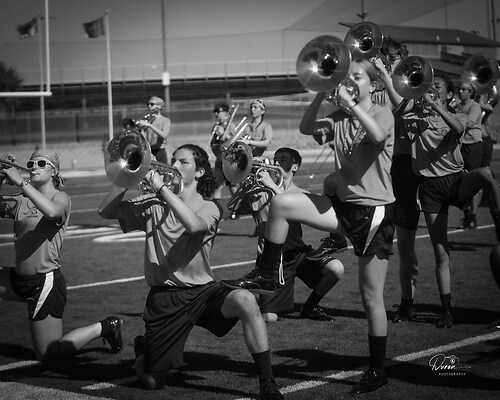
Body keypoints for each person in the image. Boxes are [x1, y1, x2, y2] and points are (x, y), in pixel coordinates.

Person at [224, 59, 395, 394]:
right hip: (344, 208)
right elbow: (305, 128)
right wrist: (319, 94)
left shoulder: (381, 112)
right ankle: (267, 274)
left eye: (357, 76)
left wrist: (349, 106)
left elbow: (377, 136)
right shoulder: (339, 117)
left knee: (370, 296)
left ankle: (377, 370)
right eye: (347, 76)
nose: (349, 80)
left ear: (372, 84)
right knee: (282, 203)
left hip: (375, 213)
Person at [97, 144, 283, 399]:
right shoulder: (152, 204)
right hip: (165, 298)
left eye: (183, 162)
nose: (174, 165)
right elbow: (105, 211)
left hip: (202, 292)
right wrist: (128, 175)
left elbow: (195, 226)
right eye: (173, 160)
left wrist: (161, 188)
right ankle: (143, 349)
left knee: (246, 299)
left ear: (199, 172)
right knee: (152, 382)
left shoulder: (210, 207)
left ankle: (267, 382)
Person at [397, 74, 500, 329]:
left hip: (455, 181)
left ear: (448, 94)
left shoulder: (459, 115)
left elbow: (458, 129)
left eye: (436, 86)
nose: (431, 89)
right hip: (430, 188)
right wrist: (412, 98)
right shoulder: (415, 119)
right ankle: (446, 311)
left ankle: (498, 222)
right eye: (428, 86)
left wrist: (434, 106)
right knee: (441, 251)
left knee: (485, 174)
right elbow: (395, 117)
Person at [0, 150, 123, 363]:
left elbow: (52, 212)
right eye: (31, 163)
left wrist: (21, 182)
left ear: (54, 171)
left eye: (41, 163)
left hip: (43, 283)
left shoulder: (61, 198)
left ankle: (105, 327)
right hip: (17, 279)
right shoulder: (21, 200)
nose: (34, 167)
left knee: (48, 355)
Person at [239, 147, 344, 322]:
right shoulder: (261, 193)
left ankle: (310, 307)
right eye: (275, 159)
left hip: (298, 254)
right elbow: (233, 209)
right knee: (269, 318)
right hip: (274, 261)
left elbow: (289, 204)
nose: (276, 163)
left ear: (294, 167)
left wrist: (272, 186)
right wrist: (245, 185)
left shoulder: (303, 194)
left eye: (283, 160)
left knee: (336, 268)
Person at [228, 98, 273, 227]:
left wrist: (250, 142)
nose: (252, 109)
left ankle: (266, 223)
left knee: (262, 195)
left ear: (262, 110)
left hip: (262, 162)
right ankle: (258, 225)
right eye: (251, 107)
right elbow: (241, 143)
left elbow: (267, 142)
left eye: (255, 107)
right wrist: (236, 137)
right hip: (249, 163)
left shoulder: (266, 126)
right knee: (250, 196)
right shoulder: (248, 126)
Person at [455, 80, 483, 230]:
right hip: (461, 145)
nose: (460, 91)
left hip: (473, 145)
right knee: (461, 181)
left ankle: (473, 216)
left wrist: (456, 115)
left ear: (470, 92)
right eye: (459, 89)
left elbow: (470, 123)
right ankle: (466, 215)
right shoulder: (458, 106)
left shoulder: (474, 106)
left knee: (472, 181)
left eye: (464, 89)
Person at [208, 103, 237, 203]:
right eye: (215, 112)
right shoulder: (216, 126)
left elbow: (234, 141)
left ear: (225, 113)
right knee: (218, 184)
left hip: (229, 159)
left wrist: (224, 135)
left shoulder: (231, 125)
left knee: (232, 184)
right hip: (219, 158)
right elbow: (213, 143)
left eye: (218, 111)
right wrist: (216, 136)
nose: (216, 114)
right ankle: (216, 206)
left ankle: (237, 206)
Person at [137, 96, 171, 164]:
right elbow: (145, 138)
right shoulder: (148, 120)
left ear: (159, 106)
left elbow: (164, 135)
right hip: (149, 151)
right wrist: (140, 130)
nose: (149, 106)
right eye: (148, 104)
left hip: (159, 151)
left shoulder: (165, 120)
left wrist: (150, 125)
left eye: (152, 104)